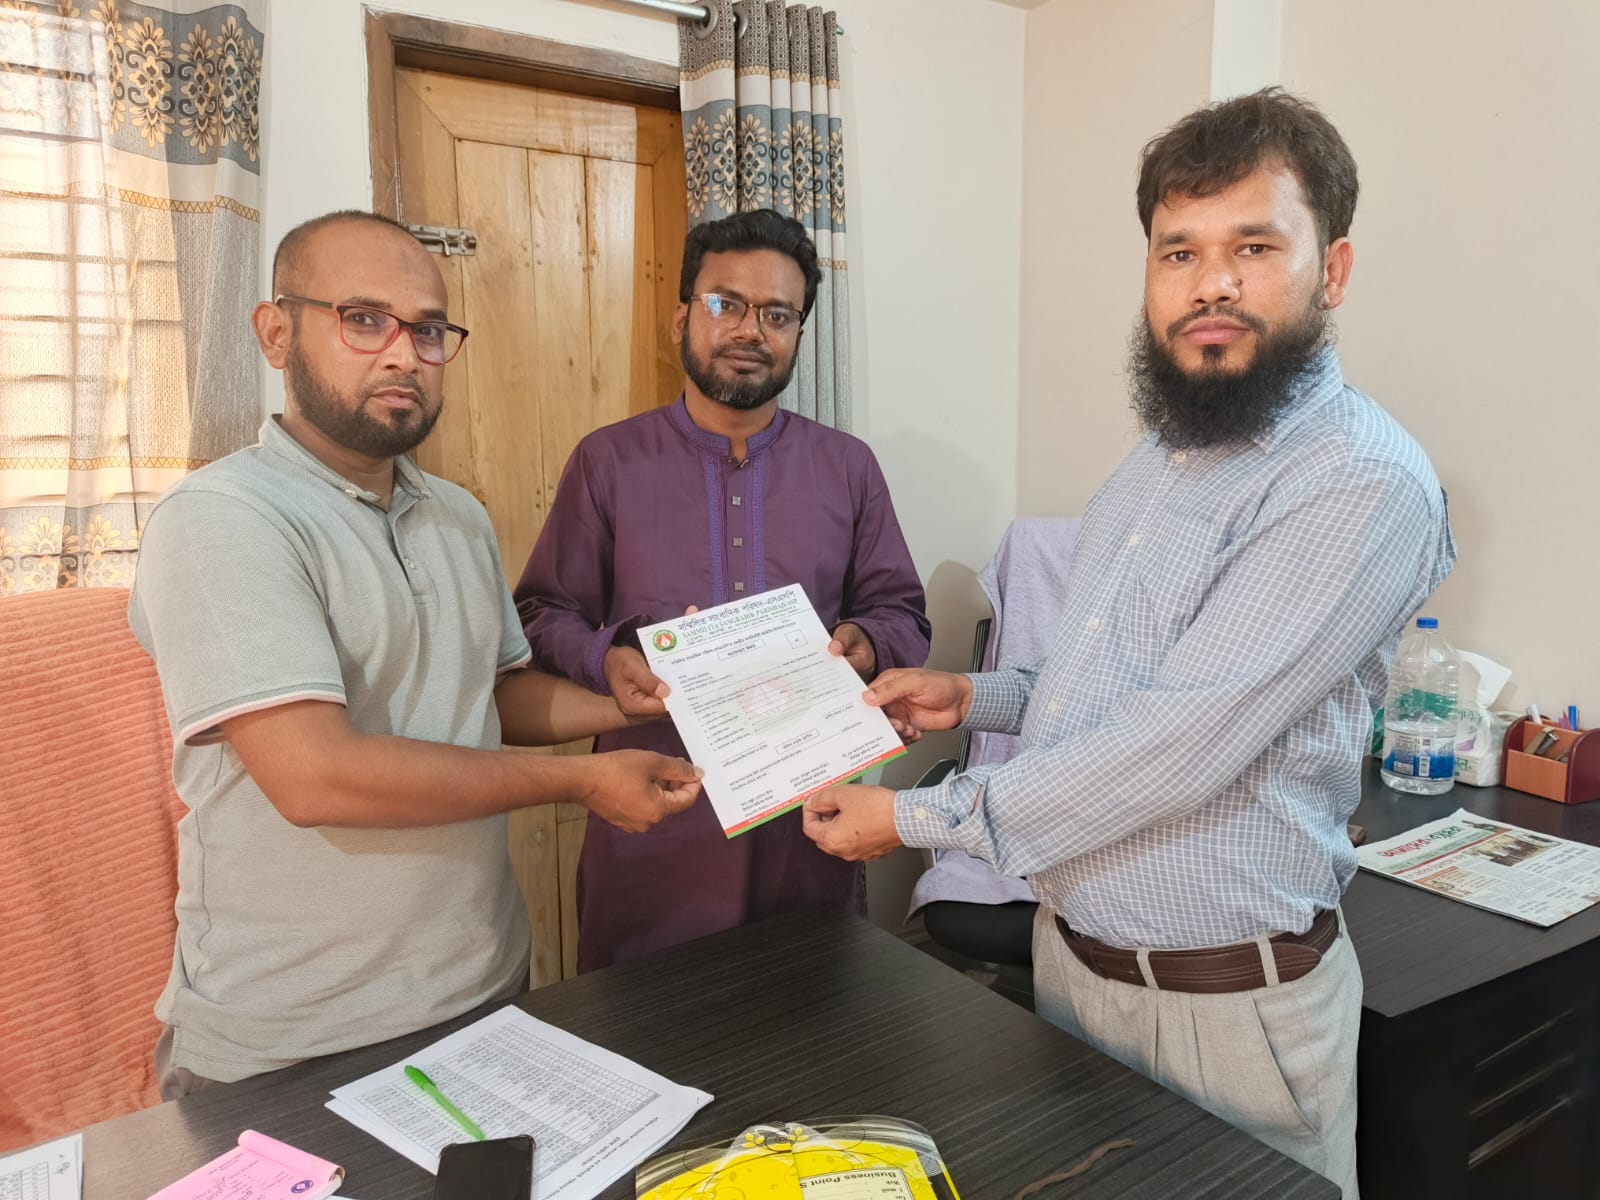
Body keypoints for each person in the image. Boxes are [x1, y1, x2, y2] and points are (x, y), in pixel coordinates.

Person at [801, 88, 1456, 1197]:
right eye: (1177, 251)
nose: (1210, 283)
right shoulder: (1161, 458)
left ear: (1333, 271)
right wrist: (974, 695)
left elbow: (1171, 745)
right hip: (1074, 966)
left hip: (1224, 1011)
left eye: (1254, 247)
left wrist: (912, 818)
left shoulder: (1356, 482)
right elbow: (1109, 685)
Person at [129, 210, 703, 1095]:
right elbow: (317, 778)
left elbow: (493, 697)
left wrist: (630, 703)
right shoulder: (222, 519)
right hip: (294, 1035)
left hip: (481, 990)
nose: (404, 354)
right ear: (276, 333)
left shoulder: (456, 515)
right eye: (364, 320)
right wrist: (583, 781)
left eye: (429, 331)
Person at [515, 209, 930, 971]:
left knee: (813, 1019)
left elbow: (900, 610)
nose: (750, 330)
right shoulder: (609, 462)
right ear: (683, 318)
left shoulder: (847, 468)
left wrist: (864, 644)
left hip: (809, 821)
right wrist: (606, 657)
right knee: (645, 1027)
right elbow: (543, 612)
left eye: (777, 314)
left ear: (798, 333)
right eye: (725, 303)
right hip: (657, 817)